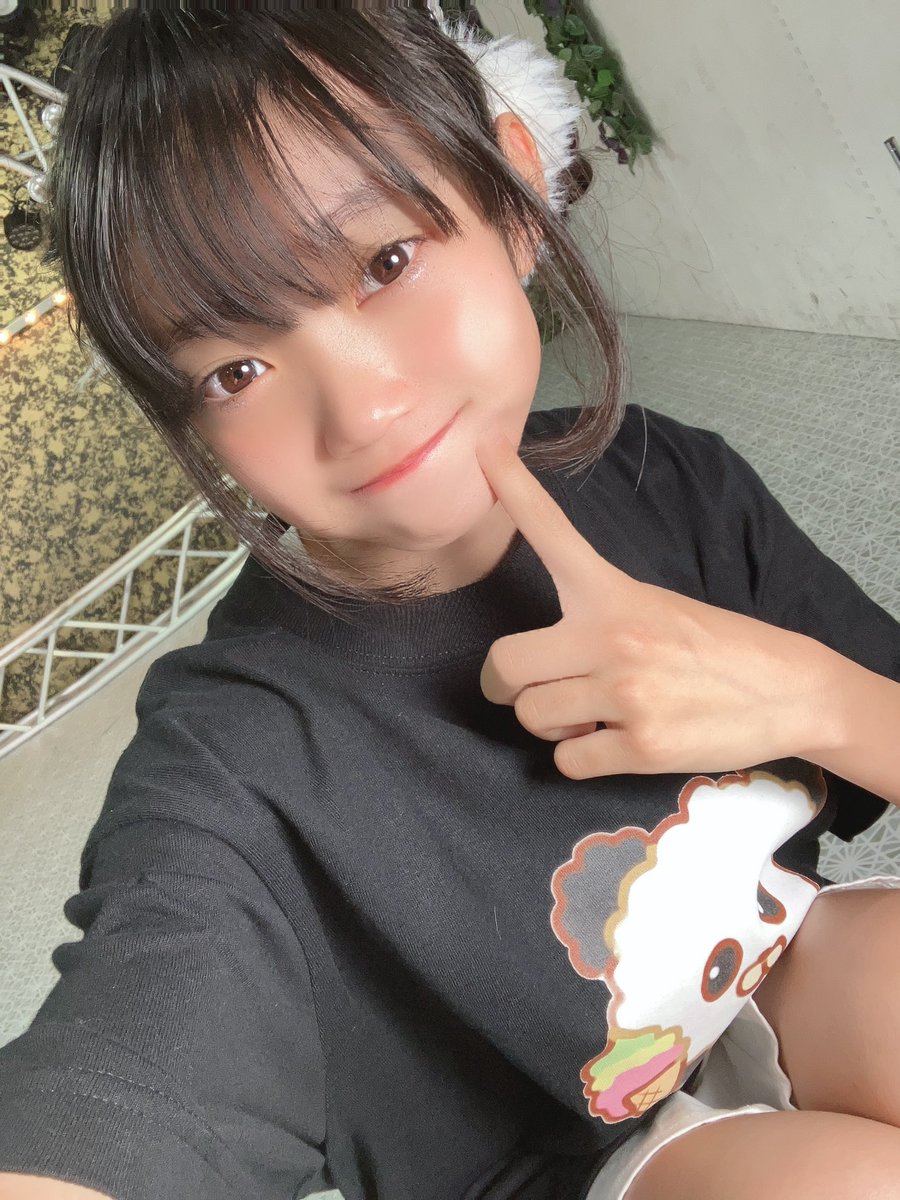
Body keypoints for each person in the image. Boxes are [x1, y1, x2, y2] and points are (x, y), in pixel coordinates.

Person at [1, 6, 899, 1199]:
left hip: (774, 963)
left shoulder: (667, 476)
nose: (362, 406)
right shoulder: (235, 765)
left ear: (512, 192)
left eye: (385, 263)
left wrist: (812, 694)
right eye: (236, 369)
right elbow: (121, 1083)